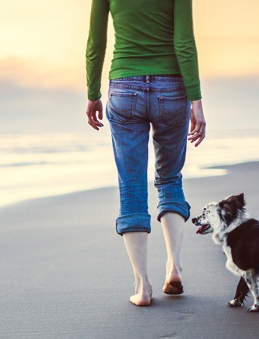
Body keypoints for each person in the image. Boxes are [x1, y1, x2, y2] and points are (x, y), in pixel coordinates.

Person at [84, 0, 207, 306]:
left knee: (132, 186)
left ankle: (142, 287)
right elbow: (184, 41)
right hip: (172, 88)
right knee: (170, 178)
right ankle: (174, 267)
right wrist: (197, 101)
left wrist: (92, 94)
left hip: (125, 88)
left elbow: (96, 41)